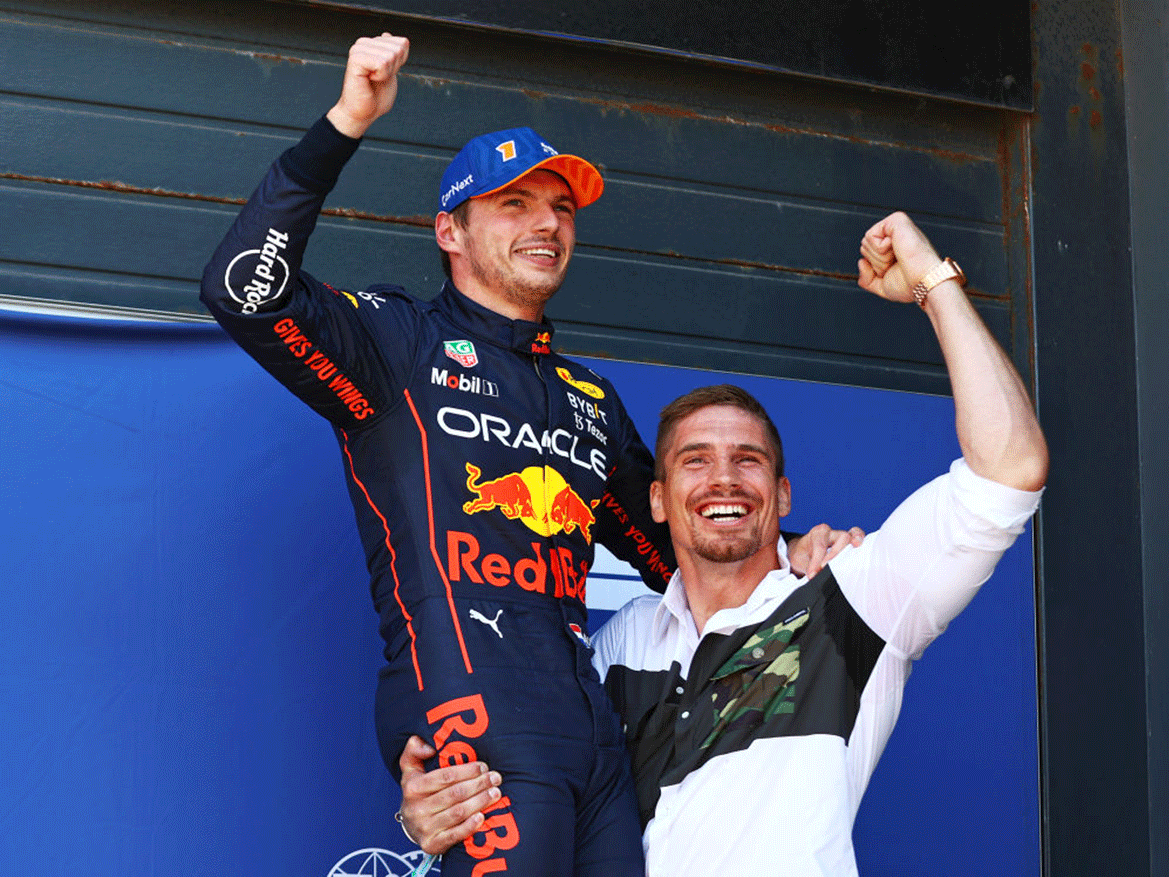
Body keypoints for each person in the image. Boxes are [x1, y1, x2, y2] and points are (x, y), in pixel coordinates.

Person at [199, 33, 851, 877]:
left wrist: (788, 560)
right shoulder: (396, 344)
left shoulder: (589, 401)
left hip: (596, 746)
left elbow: (684, 558)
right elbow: (243, 290)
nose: (546, 222)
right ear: (451, 230)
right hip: (478, 732)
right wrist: (347, 121)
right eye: (513, 203)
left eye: (561, 207)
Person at [396, 211, 1049, 876]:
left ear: (783, 494)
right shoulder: (621, 643)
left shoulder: (852, 605)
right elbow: (531, 775)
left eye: (748, 459)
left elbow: (1011, 467)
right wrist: (428, 807)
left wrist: (932, 280)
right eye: (696, 461)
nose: (724, 479)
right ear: (655, 498)